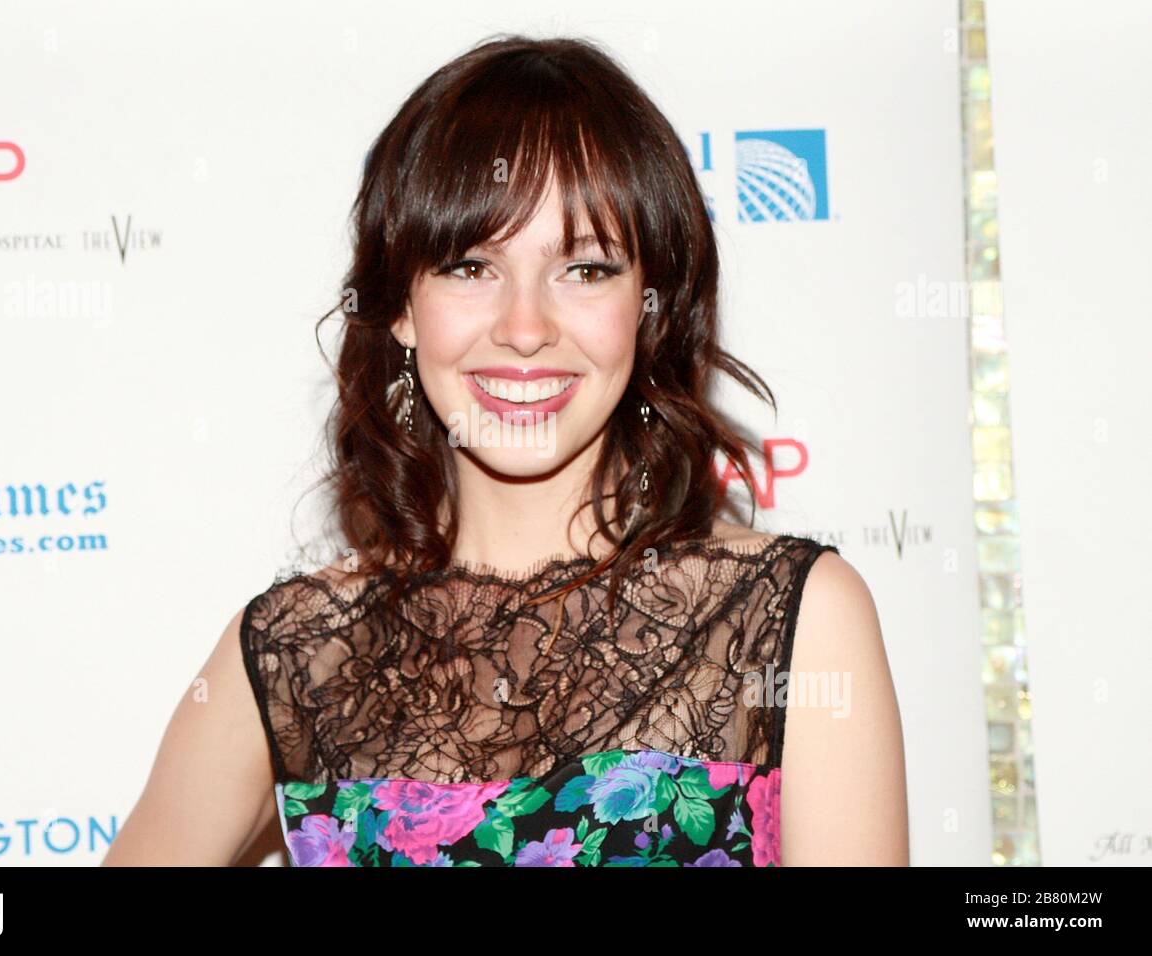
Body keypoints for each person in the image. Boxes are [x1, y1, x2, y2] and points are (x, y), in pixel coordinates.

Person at [103, 34, 907, 867]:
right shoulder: (299, 649)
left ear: (650, 308)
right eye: (469, 266)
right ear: (403, 310)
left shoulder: (796, 620)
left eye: (586, 270)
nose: (526, 330)